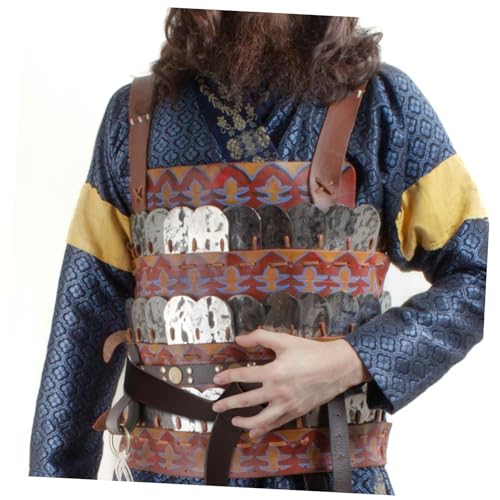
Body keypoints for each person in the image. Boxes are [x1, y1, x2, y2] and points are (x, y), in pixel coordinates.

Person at [29, 9, 488, 496]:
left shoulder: (383, 106)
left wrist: (352, 360)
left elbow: (480, 275)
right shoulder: (135, 118)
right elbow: (82, 326)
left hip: (330, 478)